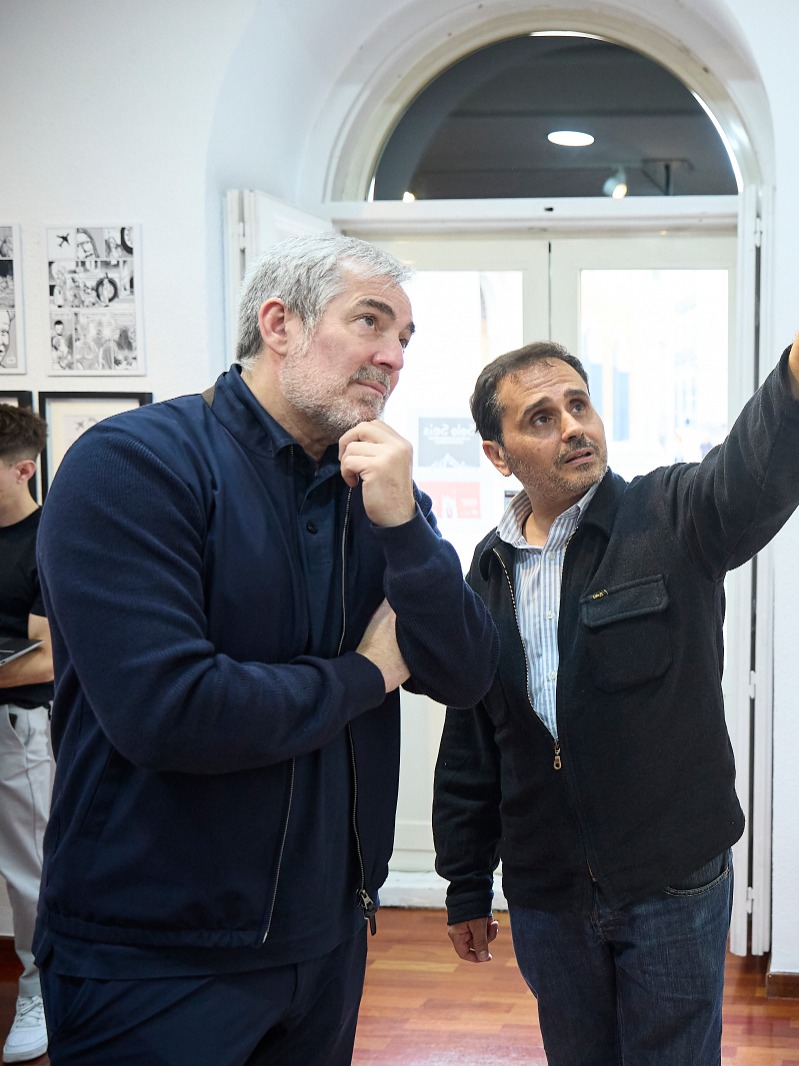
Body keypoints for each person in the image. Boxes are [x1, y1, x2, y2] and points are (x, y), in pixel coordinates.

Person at [35, 233, 498, 1063]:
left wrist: (405, 528)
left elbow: (466, 673)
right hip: (153, 957)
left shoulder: (381, 490)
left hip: (326, 940)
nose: (393, 357)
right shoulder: (134, 465)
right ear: (278, 323)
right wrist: (367, 674)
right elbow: (171, 713)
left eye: (406, 339)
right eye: (370, 322)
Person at [433, 203, 799, 1065]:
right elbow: (472, 741)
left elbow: (756, 470)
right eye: (540, 417)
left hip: (672, 881)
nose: (573, 427)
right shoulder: (484, 572)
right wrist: (463, 884)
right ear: (496, 454)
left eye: (579, 404)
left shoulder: (671, 516)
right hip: (548, 892)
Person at [0, 406, 52, 1064]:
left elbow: (50, 658)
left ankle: (41, 990)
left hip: (21, 727)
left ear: (23, 468)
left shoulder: (49, 540)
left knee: (31, 873)